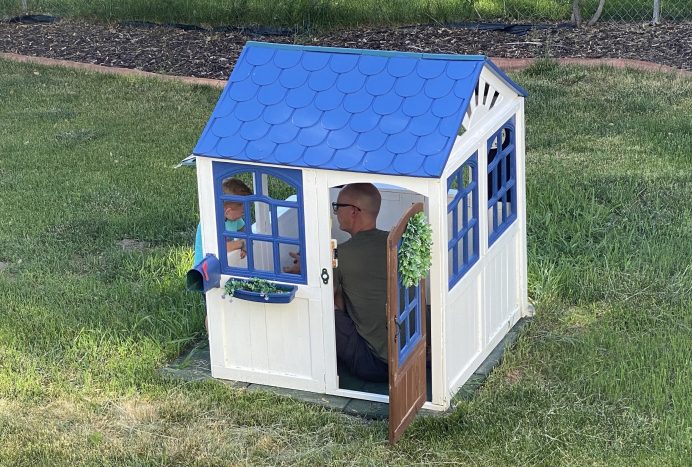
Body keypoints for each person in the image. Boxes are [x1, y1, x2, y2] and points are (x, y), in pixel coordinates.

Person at [286, 183, 389, 382]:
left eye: (337, 206)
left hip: (372, 362)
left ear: (353, 211)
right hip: (404, 356)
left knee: (322, 302)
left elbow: (322, 292)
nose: (335, 213)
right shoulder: (393, 241)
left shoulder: (340, 255)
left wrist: (308, 268)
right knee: (341, 290)